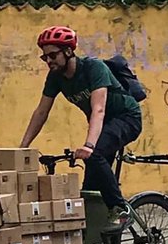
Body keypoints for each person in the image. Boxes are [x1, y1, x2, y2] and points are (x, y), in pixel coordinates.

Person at [20, 25, 142, 230]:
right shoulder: (55, 77)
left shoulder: (94, 68)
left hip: (126, 118)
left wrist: (89, 145)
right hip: (102, 127)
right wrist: (23, 146)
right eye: (44, 57)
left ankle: (121, 209)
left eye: (52, 55)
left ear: (68, 52)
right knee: (90, 192)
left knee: (94, 155)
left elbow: (99, 109)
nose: (48, 61)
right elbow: (41, 112)